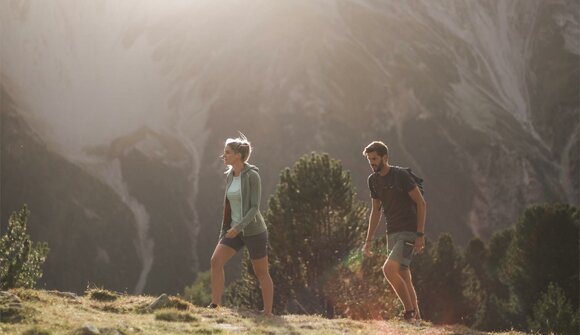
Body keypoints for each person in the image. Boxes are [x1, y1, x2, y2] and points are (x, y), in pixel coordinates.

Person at [208, 134, 273, 315]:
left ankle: (267, 312)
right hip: (233, 231)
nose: (224, 156)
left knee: (261, 272)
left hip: (254, 231)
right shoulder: (230, 175)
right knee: (215, 261)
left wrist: (238, 228)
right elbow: (228, 205)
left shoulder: (252, 176)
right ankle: (215, 305)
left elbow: (254, 208)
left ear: (238, 155)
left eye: (227, 153)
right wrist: (226, 229)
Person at [362, 141, 426, 321]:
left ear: (385, 157)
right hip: (392, 232)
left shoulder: (401, 176)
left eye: (374, 159)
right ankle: (417, 319)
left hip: (409, 232)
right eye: (369, 159)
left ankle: (408, 312)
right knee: (404, 275)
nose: (372, 162)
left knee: (389, 270)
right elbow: (375, 211)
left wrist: (420, 234)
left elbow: (421, 204)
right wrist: (368, 240)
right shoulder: (372, 180)